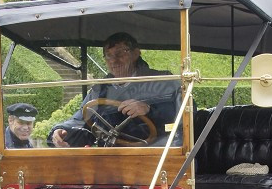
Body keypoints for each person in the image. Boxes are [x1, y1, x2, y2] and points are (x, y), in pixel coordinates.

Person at [50, 32, 179, 148]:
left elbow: (182, 117)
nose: (113, 61)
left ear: (135, 54)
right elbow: (81, 119)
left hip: (155, 153)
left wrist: (149, 110)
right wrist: (60, 130)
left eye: (119, 54)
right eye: (108, 56)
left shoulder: (163, 81)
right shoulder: (100, 89)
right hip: (109, 156)